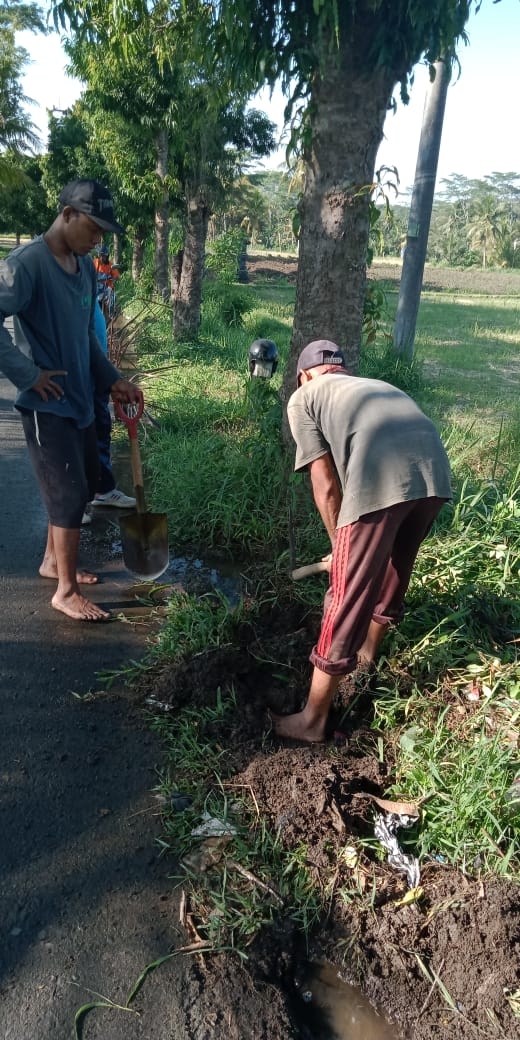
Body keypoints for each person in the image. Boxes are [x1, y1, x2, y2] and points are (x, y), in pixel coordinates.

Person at [273, 339, 452, 743]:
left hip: (383, 475)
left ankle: (313, 720)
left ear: (303, 376)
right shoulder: (369, 385)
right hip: (435, 472)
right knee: (394, 567)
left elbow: (325, 485)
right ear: (341, 368)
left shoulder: (304, 396)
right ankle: (369, 655)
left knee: (345, 597)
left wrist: (340, 547)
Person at [0, 178, 140, 622]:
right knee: (69, 494)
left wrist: (113, 380)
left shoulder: (83, 268)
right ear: (67, 214)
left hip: (80, 400)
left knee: (79, 486)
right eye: (94, 228)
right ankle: (65, 591)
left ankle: (53, 562)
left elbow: (85, 338)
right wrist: (28, 375)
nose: (98, 239)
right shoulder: (26, 264)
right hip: (47, 405)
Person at [80, 299, 136, 523]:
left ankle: (103, 490)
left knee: (101, 428)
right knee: (81, 438)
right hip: (80, 373)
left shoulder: (85, 277)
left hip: (98, 370)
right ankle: (77, 504)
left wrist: (110, 376)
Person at [93, 243, 120, 317]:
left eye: (104, 256)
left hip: (107, 287)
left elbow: (117, 276)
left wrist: (112, 278)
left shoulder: (111, 265)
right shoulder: (95, 262)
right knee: (89, 300)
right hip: (97, 287)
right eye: (101, 256)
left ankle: (112, 315)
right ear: (99, 255)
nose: (102, 258)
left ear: (107, 256)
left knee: (112, 299)